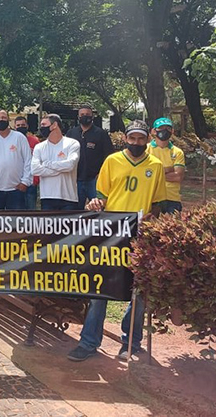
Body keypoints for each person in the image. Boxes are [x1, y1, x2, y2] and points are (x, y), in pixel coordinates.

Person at [67, 120, 167, 362]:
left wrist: (150, 221)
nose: (136, 143)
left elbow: (159, 203)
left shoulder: (155, 165)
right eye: (132, 138)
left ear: (147, 139)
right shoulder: (112, 161)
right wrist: (94, 203)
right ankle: (89, 342)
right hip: (110, 236)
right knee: (100, 290)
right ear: (125, 138)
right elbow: (100, 196)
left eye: (141, 139)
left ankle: (130, 342)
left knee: (138, 292)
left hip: (140, 236)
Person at [66, 105, 114, 210]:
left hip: (95, 179)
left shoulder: (101, 134)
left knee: (98, 208)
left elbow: (109, 155)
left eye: (87, 114)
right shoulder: (71, 133)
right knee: (75, 210)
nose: (85, 116)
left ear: (92, 116)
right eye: (82, 115)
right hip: (76, 179)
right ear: (78, 117)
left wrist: (101, 173)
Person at [31, 114, 80, 210]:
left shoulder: (72, 143)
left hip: (68, 198)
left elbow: (70, 165)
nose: (41, 128)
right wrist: (60, 169)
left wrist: (46, 164)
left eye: (44, 124)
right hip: (47, 197)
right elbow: (35, 170)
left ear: (54, 125)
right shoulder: (39, 147)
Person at [148, 117, 186, 213]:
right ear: (153, 131)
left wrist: (154, 172)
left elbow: (178, 177)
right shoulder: (145, 150)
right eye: (161, 128)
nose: (164, 131)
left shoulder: (178, 152)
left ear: (172, 131)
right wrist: (170, 169)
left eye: (168, 128)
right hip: (151, 197)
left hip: (172, 198)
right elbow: (141, 174)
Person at [15, 115, 41, 209]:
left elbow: (38, 160)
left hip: (31, 181)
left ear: (27, 126)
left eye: (23, 125)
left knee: (31, 209)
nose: (21, 127)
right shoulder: (12, 141)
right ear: (15, 127)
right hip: (16, 182)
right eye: (18, 125)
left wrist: (36, 179)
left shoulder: (35, 141)